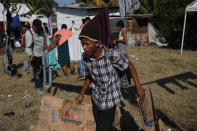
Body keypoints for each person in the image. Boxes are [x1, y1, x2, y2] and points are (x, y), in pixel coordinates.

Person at [76, 10, 145, 131]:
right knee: (100, 125)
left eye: (87, 44)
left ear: (97, 43)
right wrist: (82, 94)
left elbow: (130, 66)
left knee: (102, 129)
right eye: (82, 44)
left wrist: (138, 87)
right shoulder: (86, 58)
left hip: (110, 98)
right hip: (96, 98)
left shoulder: (111, 55)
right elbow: (89, 77)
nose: (84, 48)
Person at [25, 19, 50, 95]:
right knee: (37, 72)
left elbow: (46, 38)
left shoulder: (42, 30)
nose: (38, 30)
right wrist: (30, 54)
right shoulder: (29, 33)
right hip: (35, 55)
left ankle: (44, 82)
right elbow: (28, 47)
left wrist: (48, 46)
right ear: (33, 26)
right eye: (37, 28)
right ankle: (38, 87)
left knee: (45, 70)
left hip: (44, 54)